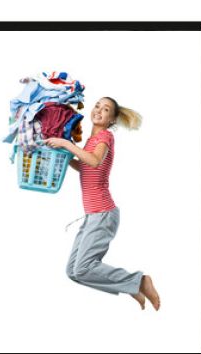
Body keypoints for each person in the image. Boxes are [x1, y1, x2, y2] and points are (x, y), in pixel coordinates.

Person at [43, 97, 160, 311]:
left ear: (111, 119)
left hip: (103, 213)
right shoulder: (91, 139)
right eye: (97, 105)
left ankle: (140, 281)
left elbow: (95, 160)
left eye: (105, 109)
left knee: (84, 268)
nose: (98, 110)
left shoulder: (105, 136)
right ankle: (131, 286)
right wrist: (66, 156)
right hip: (92, 215)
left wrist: (67, 144)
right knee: (73, 271)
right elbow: (86, 166)